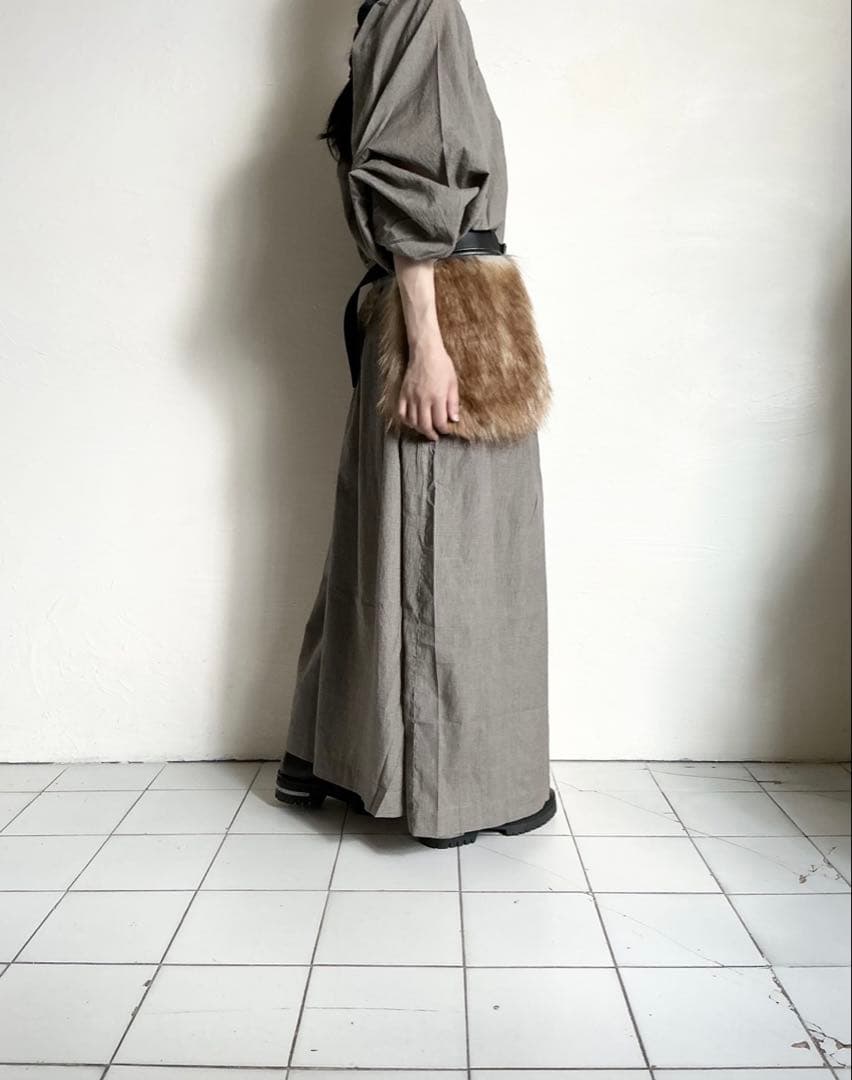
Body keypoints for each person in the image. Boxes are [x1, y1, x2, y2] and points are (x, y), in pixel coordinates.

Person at [276, 0, 554, 847]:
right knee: (448, 551)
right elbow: (411, 177)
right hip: (448, 317)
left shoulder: (395, 13)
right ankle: (446, 794)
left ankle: (356, 759)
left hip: (442, 307)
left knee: (402, 541)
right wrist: (429, 346)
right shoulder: (418, 5)